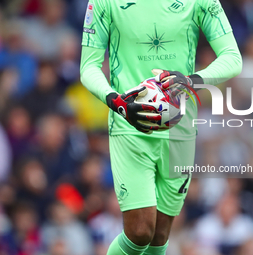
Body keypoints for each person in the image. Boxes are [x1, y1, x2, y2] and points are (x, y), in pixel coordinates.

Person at [80, 0, 242, 254]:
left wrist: (190, 81)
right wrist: (116, 101)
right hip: (130, 124)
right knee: (139, 231)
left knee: (159, 235)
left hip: (180, 128)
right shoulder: (104, 2)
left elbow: (233, 58)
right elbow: (88, 67)